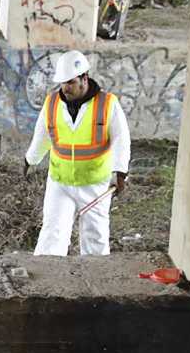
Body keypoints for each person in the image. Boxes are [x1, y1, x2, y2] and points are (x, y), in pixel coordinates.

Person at [24, 49, 130, 257]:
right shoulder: (52, 103)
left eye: (70, 82)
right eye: (62, 82)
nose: (65, 88)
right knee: (52, 234)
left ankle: (97, 282)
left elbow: (121, 139)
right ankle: (48, 281)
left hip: (94, 183)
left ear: (84, 78)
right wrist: (30, 159)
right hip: (60, 182)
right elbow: (42, 135)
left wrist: (120, 172)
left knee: (95, 238)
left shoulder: (108, 104)